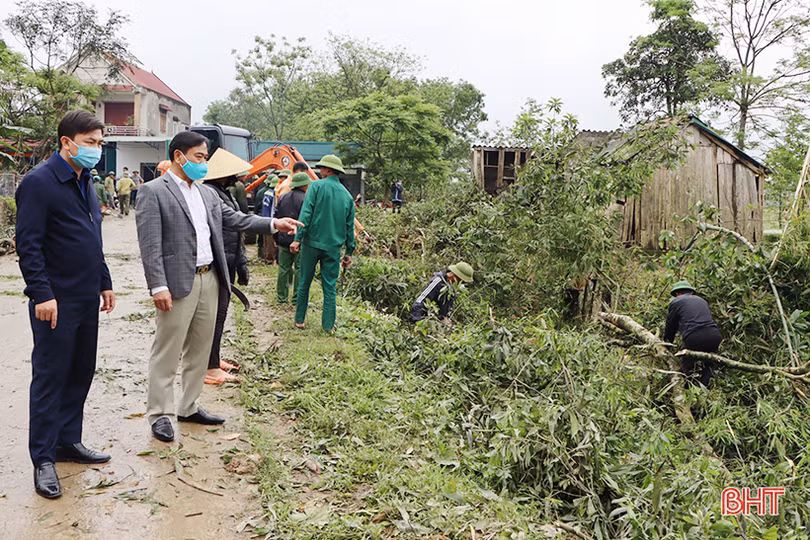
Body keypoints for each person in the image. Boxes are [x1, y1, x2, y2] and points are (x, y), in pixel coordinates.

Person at [136, 131, 301, 443]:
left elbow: (236, 219)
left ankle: (188, 406)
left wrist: (273, 223)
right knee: (167, 351)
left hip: (209, 277)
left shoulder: (207, 193)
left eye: (205, 157)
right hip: (177, 282)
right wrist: (158, 285)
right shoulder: (154, 192)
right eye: (199, 157)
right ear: (178, 156)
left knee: (201, 348)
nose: (203, 163)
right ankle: (160, 414)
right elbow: (150, 244)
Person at [16, 110, 116, 499]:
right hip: (55, 301)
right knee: (50, 377)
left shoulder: (84, 179)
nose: (97, 150)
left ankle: (67, 441)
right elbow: (29, 244)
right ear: (67, 142)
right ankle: (43, 459)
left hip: (86, 296)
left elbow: (93, 237)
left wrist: (104, 281)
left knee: (80, 370)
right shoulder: (40, 183)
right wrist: (42, 293)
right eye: (90, 143)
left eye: (100, 143)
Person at [201, 149, 253, 385]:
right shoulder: (211, 194)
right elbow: (235, 222)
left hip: (229, 259)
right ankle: (209, 367)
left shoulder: (224, 192)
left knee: (220, 314)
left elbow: (236, 229)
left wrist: (241, 263)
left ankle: (213, 358)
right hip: (217, 261)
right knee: (215, 314)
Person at [291, 155, 355, 332]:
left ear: (328, 170)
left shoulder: (315, 186)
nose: (319, 171)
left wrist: (297, 239)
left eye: (321, 168)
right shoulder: (347, 196)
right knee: (330, 286)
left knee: (304, 281)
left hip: (311, 243)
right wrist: (349, 251)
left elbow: (306, 214)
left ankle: (299, 320)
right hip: (333, 248)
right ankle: (328, 326)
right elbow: (349, 227)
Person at [664, 280, 723, 387]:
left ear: (677, 293)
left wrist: (666, 345)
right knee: (710, 363)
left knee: (687, 367)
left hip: (694, 337)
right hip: (714, 335)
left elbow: (670, 326)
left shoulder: (676, 302)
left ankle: (687, 389)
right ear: (691, 292)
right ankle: (704, 388)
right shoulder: (702, 300)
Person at [275, 172, 310, 304]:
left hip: (283, 237)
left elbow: (276, 217)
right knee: (299, 269)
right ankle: (297, 298)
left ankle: (282, 298)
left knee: (284, 268)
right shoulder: (306, 199)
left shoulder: (283, 197)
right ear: (305, 185)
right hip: (299, 239)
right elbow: (307, 221)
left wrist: (276, 238)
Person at [410, 262, 474, 323]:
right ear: (455, 276)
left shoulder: (452, 288)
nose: (462, 284)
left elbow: (445, 308)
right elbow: (420, 301)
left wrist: (446, 318)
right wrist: (418, 321)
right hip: (425, 318)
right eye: (462, 281)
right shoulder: (438, 281)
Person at [255, 173, 277, 260]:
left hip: (262, 216)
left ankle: (262, 255)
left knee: (263, 239)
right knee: (270, 239)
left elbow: (256, 205)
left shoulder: (263, 192)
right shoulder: (273, 193)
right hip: (270, 218)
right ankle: (270, 257)